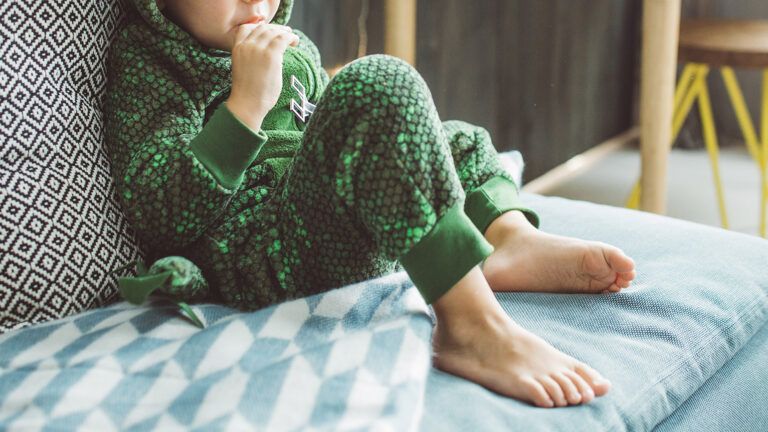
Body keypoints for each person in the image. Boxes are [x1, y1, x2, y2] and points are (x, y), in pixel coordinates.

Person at [104, 0, 637, 409]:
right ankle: (472, 327)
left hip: (328, 209)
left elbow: (320, 125)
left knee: (457, 140)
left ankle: (506, 239)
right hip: (267, 255)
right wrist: (244, 108)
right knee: (380, 84)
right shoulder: (151, 67)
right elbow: (160, 212)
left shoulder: (291, 45)